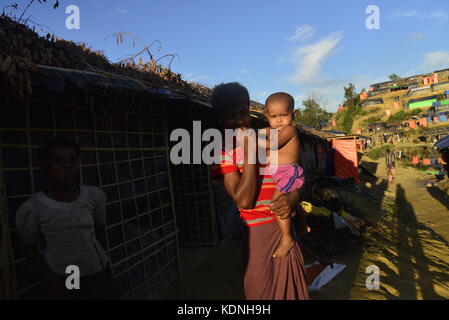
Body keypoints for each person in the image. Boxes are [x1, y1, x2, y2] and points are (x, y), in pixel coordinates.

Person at [210, 82, 309, 300]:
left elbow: (295, 174)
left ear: (249, 109)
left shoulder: (269, 136)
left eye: (242, 112)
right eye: (230, 116)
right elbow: (244, 201)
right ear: (219, 119)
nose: (239, 120)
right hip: (257, 233)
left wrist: (293, 197)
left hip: (285, 227)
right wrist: (248, 154)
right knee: (259, 291)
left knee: (292, 291)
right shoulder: (223, 152)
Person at [15, 137, 115, 300]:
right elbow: (30, 247)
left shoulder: (93, 195)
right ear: (45, 167)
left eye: (73, 160)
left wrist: (91, 256)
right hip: (65, 275)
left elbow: (99, 228)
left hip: (98, 270)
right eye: (58, 161)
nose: (67, 165)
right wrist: (52, 279)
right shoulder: (35, 206)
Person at [261, 92, 306, 258]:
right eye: (274, 116)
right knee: (294, 202)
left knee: (276, 203)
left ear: (294, 115)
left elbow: (274, 144)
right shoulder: (272, 131)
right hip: (281, 173)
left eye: (284, 115)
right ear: (267, 116)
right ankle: (302, 226)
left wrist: (251, 139)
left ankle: (287, 238)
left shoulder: (289, 130)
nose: (279, 120)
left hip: (288, 172)